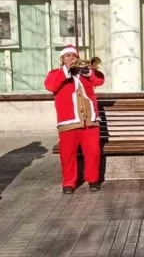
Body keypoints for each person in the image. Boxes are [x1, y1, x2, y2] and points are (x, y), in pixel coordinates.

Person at [45, 45, 104, 194]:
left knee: (93, 152)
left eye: (73, 55)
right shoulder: (55, 73)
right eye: (68, 56)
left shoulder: (85, 74)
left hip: (90, 120)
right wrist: (66, 71)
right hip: (68, 122)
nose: (71, 58)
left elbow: (100, 81)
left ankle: (93, 180)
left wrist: (88, 70)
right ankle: (69, 182)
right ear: (62, 60)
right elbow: (51, 86)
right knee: (67, 154)